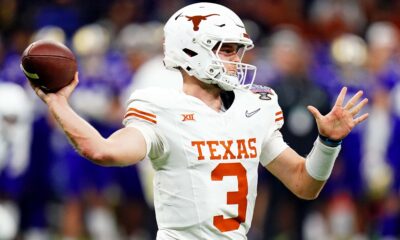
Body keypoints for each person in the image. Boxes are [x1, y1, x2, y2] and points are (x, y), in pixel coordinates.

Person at [28, 3, 369, 239]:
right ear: (191, 50)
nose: (237, 59)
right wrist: (58, 103)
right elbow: (102, 150)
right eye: (227, 49)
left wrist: (328, 144)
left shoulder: (255, 107)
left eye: (239, 50)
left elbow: (303, 184)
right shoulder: (159, 107)